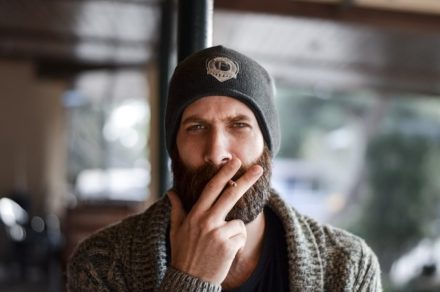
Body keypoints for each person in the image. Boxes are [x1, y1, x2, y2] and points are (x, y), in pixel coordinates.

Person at [67, 45, 382, 291]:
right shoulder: (103, 261)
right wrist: (191, 280)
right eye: (196, 127)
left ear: (267, 146)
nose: (217, 153)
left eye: (239, 125)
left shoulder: (348, 265)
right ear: (173, 147)